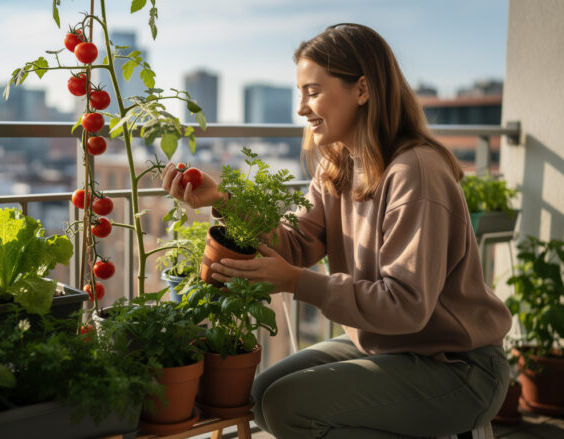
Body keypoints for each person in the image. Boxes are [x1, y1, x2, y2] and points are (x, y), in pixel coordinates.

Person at [161, 23, 512, 439]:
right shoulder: (338, 167)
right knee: (260, 396)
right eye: (300, 93)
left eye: (313, 91)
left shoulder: (415, 172)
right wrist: (221, 200)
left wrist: (297, 282)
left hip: (458, 367)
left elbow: (406, 304)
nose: (301, 108)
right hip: (387, 345)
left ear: (362, 89)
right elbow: (295, 243)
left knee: (288, 407)